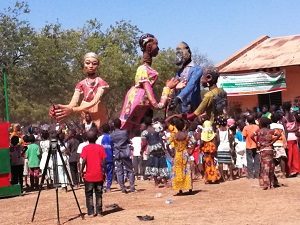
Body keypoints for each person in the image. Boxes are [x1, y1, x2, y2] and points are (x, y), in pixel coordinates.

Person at [119, 33, 178, 131]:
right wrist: (167, 88)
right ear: (149, 46)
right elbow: (157, 105)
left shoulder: (145, 70)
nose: (158, 48)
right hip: (137, 103)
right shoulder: (143, 70)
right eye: (156, 44)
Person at [49, 52, 109, 128]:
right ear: (84, 64)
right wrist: (59, 107)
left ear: (98, 66)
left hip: (98, 113)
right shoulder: (81, 84)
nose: (91, 66)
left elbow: (94, 101)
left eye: (94, 63)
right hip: (85, 113)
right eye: (88, 63)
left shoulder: (101, 82)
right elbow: (72, 104)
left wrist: (73, 110)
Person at [169, 42, 203, 114]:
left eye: (180, 52)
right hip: (182, 109)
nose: (179, 56)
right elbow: (175, 86)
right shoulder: (179, 72)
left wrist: (179, 98)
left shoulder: (197, 69)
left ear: (188, 51)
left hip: (194, 108)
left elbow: (191, 84)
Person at [81, 129, 106, 217]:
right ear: (96, 138)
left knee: (89, 194)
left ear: (87, 138)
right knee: (99, 194)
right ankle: (99, 211)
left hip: (89, 176)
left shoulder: (85, 148)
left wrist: (81, 171)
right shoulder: (101, 148)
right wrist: (104, 172)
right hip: (99, 175)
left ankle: (91, 212)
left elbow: (84, 161)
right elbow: (104, 162)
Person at [252, 117, 280, 190]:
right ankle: (271, 184)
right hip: (270, 149)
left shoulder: (259, 131)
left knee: (264, 167)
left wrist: (257, 143)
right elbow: (279, 134)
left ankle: (265, 184)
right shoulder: (271, 131)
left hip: (263, 150)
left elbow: (252, 136)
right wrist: (272, 142)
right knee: (271, 166)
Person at [142, 116, 169, 187]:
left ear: (145, 124)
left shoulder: (144, 132)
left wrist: (142, 150)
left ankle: (156, 183)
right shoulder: (157, 129)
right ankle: (165, 183)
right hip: (159, 147)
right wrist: (164, 148)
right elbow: (160, 138)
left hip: (152, 149)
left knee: (153, 164)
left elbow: (144, 143)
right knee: (162, 164)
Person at [110, 118, 135, 193]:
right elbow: (128, 141)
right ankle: (132, 186)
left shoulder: (112, 135)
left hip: (117, 154)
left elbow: (112, 144)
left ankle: (122, 187)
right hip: (125, 152)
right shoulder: (124, 132)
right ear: (120, 124)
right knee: (130, 170)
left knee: (119, 171)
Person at [171, 118, 192, 194]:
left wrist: (171, 153)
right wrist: (191, 150)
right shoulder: (186, 135)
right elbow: (194, 141)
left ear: (176, 126)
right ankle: (189, 188)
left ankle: (180, 189)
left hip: (177, 154)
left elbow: (167, 144)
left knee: (178, 170)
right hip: (185, 153)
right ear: (183, 126)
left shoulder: (174, 135)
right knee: (187, 170)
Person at [282, 102, 300, 176]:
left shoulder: (284, 118)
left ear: (283, 108)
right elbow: (296, 127)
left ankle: (289, 171)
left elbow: (285, 130)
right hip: (294, 137)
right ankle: (297, 170)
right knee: (296, 154)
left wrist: (285, 140)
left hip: (288, 137)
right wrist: (293, 130)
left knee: (289, 155)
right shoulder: (294, 116)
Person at [96, 123, 114, 192]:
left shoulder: (99, 138)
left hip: (102, 159)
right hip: (110, 158)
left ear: (102, 130)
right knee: (109, 173)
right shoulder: (111, 137)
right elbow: (113, 147)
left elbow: (97, 149)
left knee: (102, 173)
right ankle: (108, 187)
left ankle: (102, 186)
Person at [242, 115, 260, 179]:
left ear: (247, 121)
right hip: (256, 146)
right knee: (256, 160)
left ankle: (250, 175)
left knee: (249, 160)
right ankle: (257, 174)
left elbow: (244, 137)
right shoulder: (257, 127)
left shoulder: (245, 128)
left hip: (248, 146)